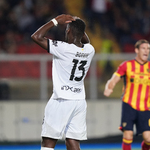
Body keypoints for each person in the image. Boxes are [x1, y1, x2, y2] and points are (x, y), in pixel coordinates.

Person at [31, 14, 95, 150]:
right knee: (73, 142)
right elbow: (85, 39)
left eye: (67, 29)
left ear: (69, 31)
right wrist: (78, 23)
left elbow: (36, 37)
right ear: (83, 33)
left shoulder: (63, 48)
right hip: (79, 101)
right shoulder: (90, 50)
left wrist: (55, 21)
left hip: (61, 100)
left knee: (48, 142)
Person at [104, 39, 150, 150]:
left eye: (148, 49)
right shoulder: (127, 65)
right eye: (143, 48)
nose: (146, 51)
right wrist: (109, 87)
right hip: (129, 104)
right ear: (136, 50)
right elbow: (114, 79)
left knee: (149, 139)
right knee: (128, 135)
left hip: (145, 108)